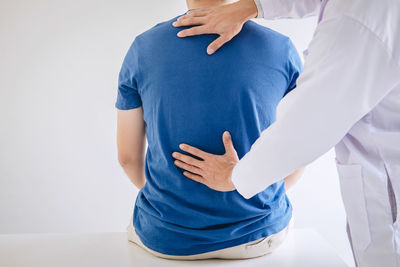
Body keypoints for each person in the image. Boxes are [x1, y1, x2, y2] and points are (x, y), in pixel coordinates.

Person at [171, 0, 400, 266]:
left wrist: (236, 176)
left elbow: (308, 123)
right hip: (263, 228)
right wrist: (252, 6)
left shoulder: (358, 22)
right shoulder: (281, 47)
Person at [115, 0, 304, 260]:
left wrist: (177, 202)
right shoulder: (281, 48)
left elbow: (128, 158)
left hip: (166, 237)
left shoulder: (143, 48)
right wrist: (248, 193)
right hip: (260, 236)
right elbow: (298, 153)